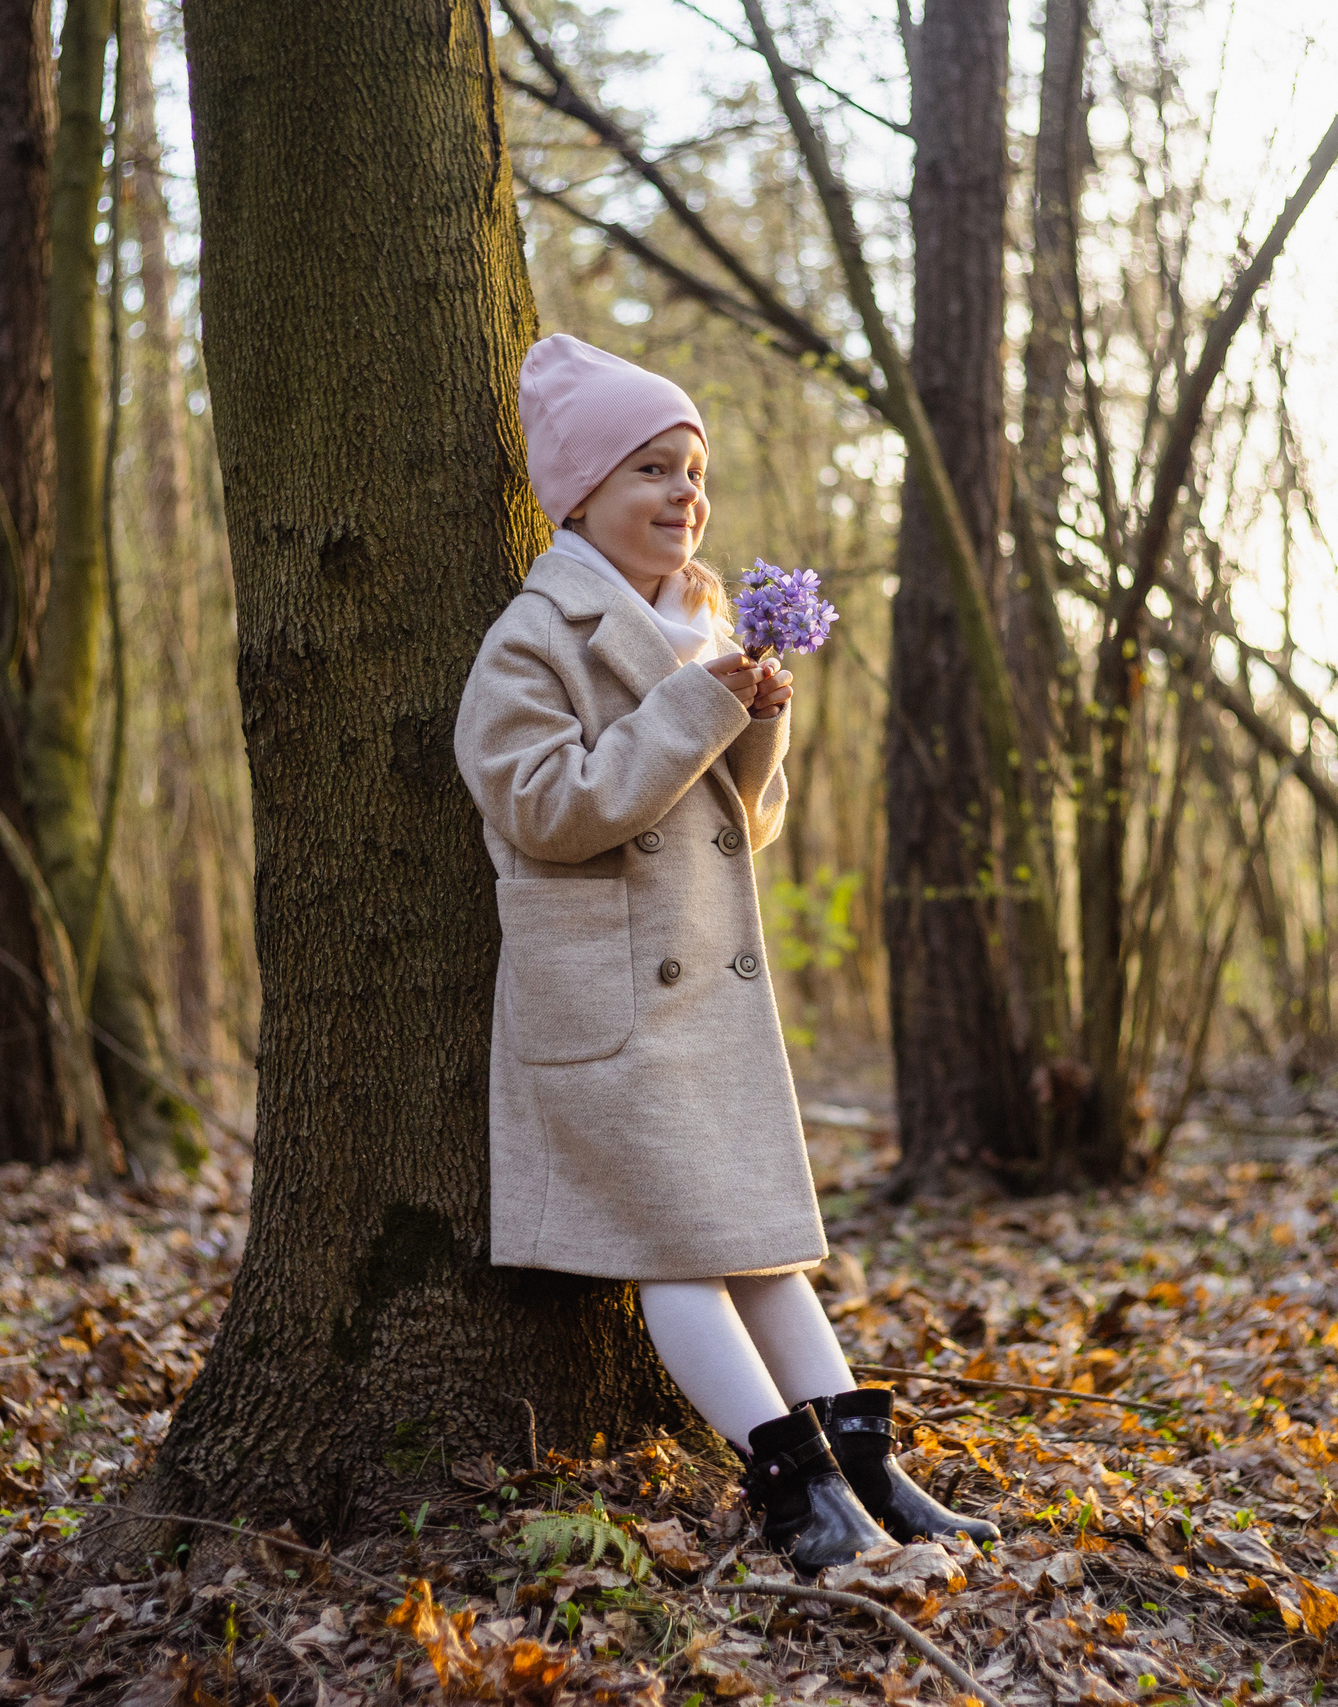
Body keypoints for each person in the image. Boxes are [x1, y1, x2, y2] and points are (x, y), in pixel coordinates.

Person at [453, 335, 998, 1573]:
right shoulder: (535, 636)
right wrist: (701, 702)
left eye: (694, 472)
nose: (683, 496)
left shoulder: (697, 618)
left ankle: (868, 1471)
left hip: (700, 987)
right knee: (681, 1257)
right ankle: (795, 1493)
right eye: (651, 469)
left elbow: (738, 829)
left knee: (760, 1244)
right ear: (581, 493)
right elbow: (551, 809)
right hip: (605, 1002)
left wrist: (755, 726)